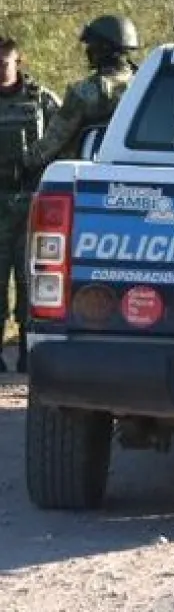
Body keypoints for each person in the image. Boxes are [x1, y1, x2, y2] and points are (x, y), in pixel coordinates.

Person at [0, 37, 62, 372]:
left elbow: (65, 137)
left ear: (17, 62)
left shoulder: (41, 100)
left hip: (30, 201)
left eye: (3, 63)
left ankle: (28, 348)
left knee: (31, 277)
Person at [21, 14, 140, 171]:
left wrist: (22, 162)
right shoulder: (146, 85)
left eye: (91, 45)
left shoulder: (84, 93)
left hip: (84, 175)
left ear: (102, 48)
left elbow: (53, 142)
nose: (88, 50)